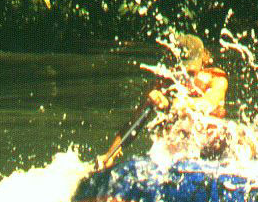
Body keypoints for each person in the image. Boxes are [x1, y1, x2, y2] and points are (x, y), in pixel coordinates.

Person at [96, 33, 228, 168]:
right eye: (181, 71)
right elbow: (134, 123)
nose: (185, 78)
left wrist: (171, 103)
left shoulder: (216, 79)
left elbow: (209, 103)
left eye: (191, 73)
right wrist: (109, 155)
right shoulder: (164, 83)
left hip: (214, 148)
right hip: (183, 149)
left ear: (203, 60)